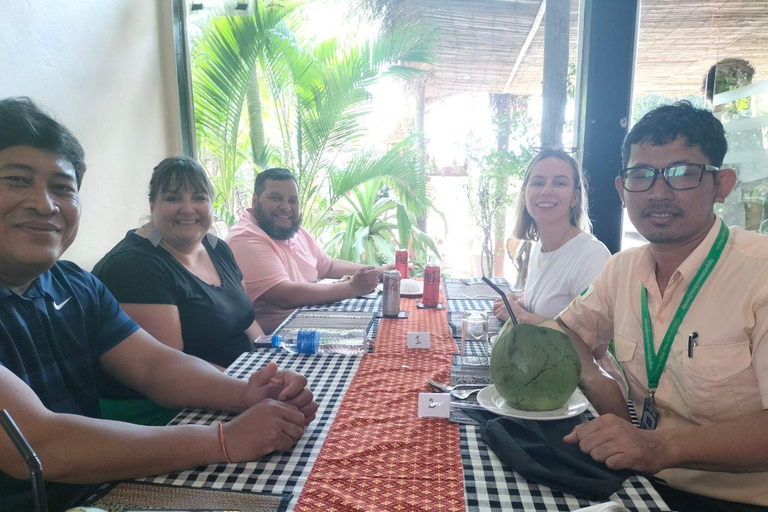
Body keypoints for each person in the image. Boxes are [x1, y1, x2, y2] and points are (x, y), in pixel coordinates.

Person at [0, 97, 318, 512]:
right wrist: (225, 439)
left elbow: (155, 365)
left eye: (62, 187)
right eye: (17, 180)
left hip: (100, 490)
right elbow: (38, 444)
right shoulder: (134, 265)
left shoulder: (73, 284)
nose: (45, 205)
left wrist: (245, 393)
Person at [557, 101, 768, 511]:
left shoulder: (759, 275)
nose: (658, 192)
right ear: (622, 189)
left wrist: (656, 446)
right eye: (640, 175)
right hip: (639, 484)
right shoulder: (622, 269)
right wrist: (599, 381)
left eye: (682, 173)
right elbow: (567, 331)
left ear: (722, 184)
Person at [92, 157, 265, 426]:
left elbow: (246, 319)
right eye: (173, 198)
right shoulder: (133, 266)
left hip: (233, 385)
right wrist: (250, 386)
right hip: (162, 412)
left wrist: (270, 359)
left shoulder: (217, 247)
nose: (188, 209)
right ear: (152, 205)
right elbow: (171, 369)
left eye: (199, 197)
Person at [226, 168, 392, 333]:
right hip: (280, 340)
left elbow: (328, 266)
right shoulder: (245, 238)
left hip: (311, 324)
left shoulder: (293, 231)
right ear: (255, 200)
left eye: (293, 201)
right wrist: (352, 288)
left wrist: (378, 272)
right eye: (275, 198)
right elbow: (283, 295)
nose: (286, 207)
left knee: (387, 326)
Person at [493, 148, 611, 325]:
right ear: (525, 194)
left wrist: (520, 316)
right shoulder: (540, 245)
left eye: (559, 183)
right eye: (538, 183)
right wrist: (521, 304)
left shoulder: (591, 256)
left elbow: (594, 343)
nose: (546, 191)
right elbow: (553, 309)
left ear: (575, 197)